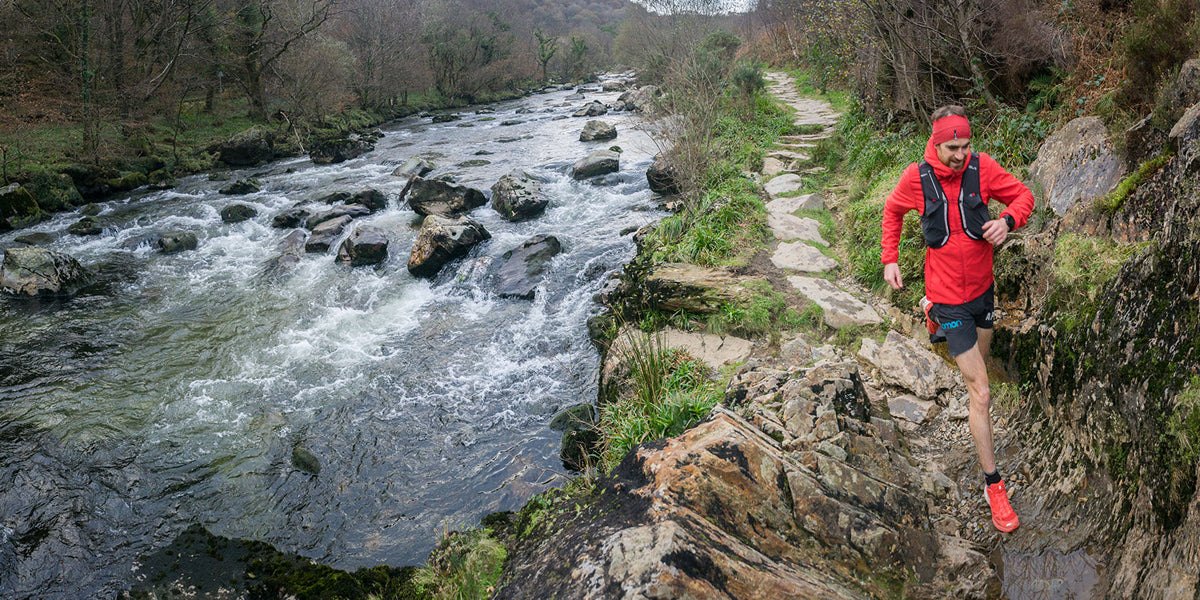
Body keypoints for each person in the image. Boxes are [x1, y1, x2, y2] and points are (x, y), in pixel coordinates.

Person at [879, 105, 1035, 533]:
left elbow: (1024, 197)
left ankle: (934, 324)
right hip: (948, 298)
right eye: (952, 147)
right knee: (982, 392)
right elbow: (892, 212)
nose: (960, 154)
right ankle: (994, 486)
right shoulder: (917, 178)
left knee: (978, 374)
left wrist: (1007, 220)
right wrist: (889, 258)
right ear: (936, 142)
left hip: (983, 293)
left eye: (966, 146)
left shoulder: (982, 169)